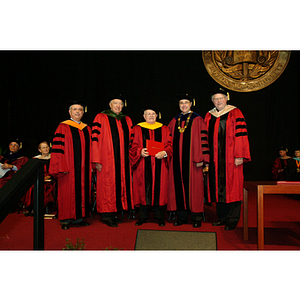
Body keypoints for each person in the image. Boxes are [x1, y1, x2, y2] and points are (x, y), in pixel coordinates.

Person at [204, 87, 251, 230]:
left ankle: (232, 219)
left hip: (231, 159)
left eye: (221, 98)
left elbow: (241, 135)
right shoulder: (209, 115)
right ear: (212, 101)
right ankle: (222, 217)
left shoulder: (235, 112)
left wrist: (240, 155)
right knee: (218, 188)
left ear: (227, 98)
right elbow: (204, 138)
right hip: (214, 161)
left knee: (233, 188)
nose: (218, 101)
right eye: (215, 99)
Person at [168, 93, 209, 227]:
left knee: (195, 189)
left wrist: (203, 159)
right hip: (176, 162)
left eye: (186, 102)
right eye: (181, 103)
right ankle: (182, 217)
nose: (184, 105)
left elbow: (204, 140)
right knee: (178, 187)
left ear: (191, 104)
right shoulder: (174, 121)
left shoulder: (198, 120)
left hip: (193, 161)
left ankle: (196, 217)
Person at [49, 101, 92, 230]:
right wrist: (61, 167)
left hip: (84, 168)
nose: (78, 112)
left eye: (80, 109)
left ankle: (79, 218)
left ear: (83, 113)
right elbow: (58, 149)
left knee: (82, 191)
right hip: (68, 168)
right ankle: (65, 219)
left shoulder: (87, 129)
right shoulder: (63, 127)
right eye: (75, 109)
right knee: (67, 193)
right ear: (70, 112)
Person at [91, 94, 133, 227]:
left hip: (123, 161)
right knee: (107, 186)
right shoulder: (101, 117)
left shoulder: (126, 120)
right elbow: (95, 139)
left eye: (120, 104)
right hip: (106, 159)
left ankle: (114, 212)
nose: (118, 106)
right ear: (110, 105)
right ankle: (106, 215)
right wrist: (96, 160)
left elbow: (132, 141)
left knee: (119, 185)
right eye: (115, 103)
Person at [129, 106, 173, 227]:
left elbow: (170, 145)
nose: (151, 116)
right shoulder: (137, 128)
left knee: (160, 189)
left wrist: (164, 153)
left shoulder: (164, 128)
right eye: (148, 114)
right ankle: (143, 216)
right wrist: (139, 151)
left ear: (157, 116)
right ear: (144, 116)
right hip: (143, 164)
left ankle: (159, 217)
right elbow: (132, 146)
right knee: (143, 189)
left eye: (153, 114)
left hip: (160, 164)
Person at [22, 141, 56, 216]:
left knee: (42, 187)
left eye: (47, 147)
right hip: (38, 178)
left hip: (50, 179)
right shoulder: (35, 159)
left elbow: (55, 170)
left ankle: (39, 208)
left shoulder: (54, 158)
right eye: (43, 148)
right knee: (30, 187)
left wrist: (49, 176)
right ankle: (30, 207)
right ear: (39, 150)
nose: (46, 149)